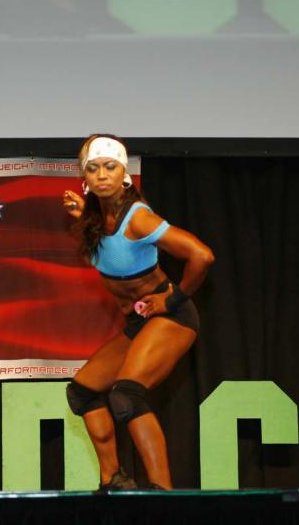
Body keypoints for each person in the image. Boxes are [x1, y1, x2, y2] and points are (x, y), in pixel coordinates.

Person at [62, 134, 215, 490]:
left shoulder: (138, 219)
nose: (102, 175)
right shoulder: (97, 219)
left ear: (124, 174)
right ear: (84, 177)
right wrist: (84, 214)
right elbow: (112, 248)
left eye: (110, 167)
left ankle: (162, 493)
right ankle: (114, 480)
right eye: (93, 169)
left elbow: (202, 255)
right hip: (139, 323)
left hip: (171, 318)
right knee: (82, 392)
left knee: (126, 395)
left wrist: (173, 300)